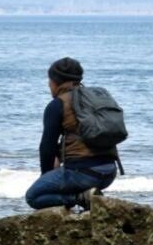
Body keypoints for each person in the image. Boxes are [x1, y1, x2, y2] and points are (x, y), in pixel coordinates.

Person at [24, 57, 118, 210]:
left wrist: (46, 178)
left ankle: (81, 198)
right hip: (109, 172)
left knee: (33, 196)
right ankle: (90, 195)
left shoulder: (58, 104)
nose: (48, 85)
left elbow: (47, 147)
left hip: (83, 174)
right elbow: (80, 137)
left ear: (55, 82)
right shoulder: (95, 97)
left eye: (49, 81)